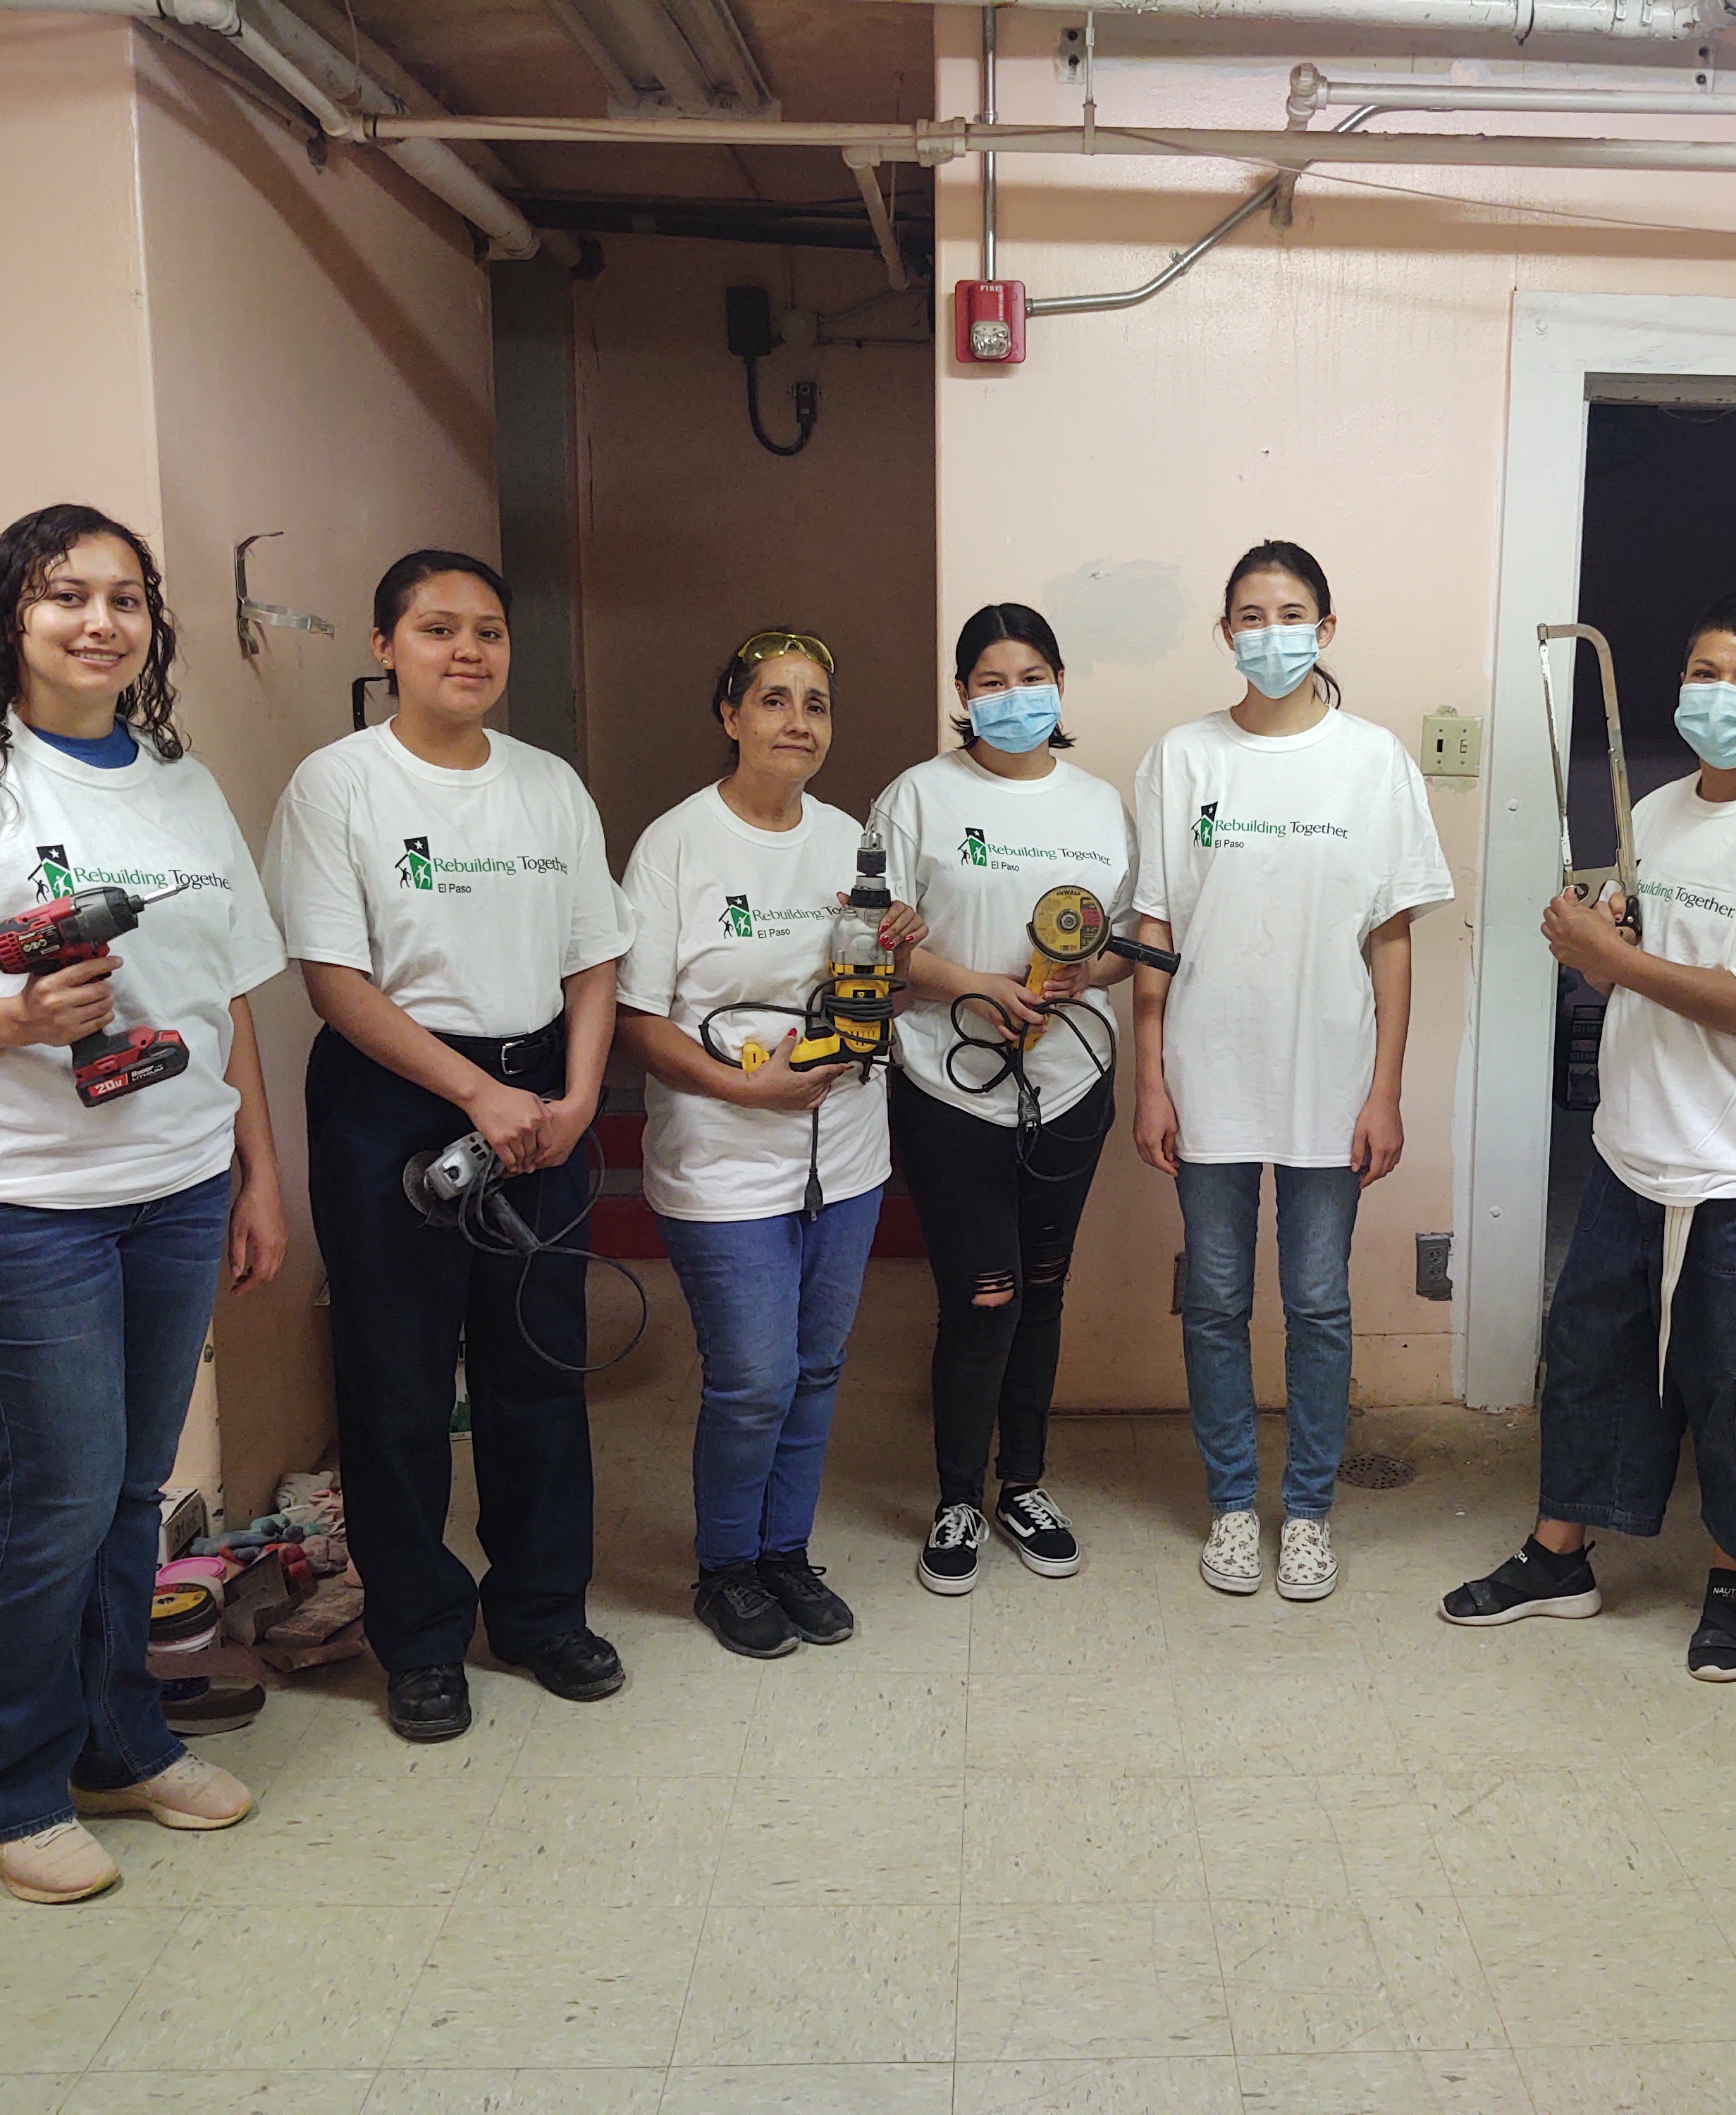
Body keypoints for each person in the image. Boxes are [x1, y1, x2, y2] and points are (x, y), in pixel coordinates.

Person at [0, 504, 287, 1903]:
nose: (98, 621)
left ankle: (114, 1745)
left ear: (152, 625)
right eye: (63, 595)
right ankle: (5, 1793)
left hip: (175, 1188)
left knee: (129, 1495)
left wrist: (257, 1168)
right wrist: (16, 1019)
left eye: (125, 598)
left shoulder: (176, 781)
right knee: (61, 1496)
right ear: (7, 618)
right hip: (11, 1205)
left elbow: (225, 998)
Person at [1441, 591, 1736, 1678]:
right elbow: (1636, 960)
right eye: (1701, 672)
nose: (1716, 696)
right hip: (1635, 1145)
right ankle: (1559, 1558)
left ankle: (1735, 1585)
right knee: (1591, 1362)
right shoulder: (1665, 810)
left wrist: (1616, 961)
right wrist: (1595, 944)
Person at [265, 551, 631, 1746]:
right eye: (437, 629)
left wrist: (577, 1095)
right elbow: (333, 978)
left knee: (537, 1368)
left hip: (542, 1098)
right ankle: (420, 1638)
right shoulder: (339, 786)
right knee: (399, 1384)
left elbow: (592, 956)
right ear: (386, 646)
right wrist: (475, 1091)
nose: (467, 651)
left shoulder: (549, 787)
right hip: (397, 1097)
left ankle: (539, 1612)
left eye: (487, 630)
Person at [1131, 541, 1453, 1602]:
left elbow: (1393, 939)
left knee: (1317, 1303)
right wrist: (1151, 1078)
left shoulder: (1374, 762)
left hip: (1331, 1074)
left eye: (1293, 612)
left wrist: (1386, 1089)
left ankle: (1306, 1511)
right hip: (1206, 1068)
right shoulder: (1183, 759)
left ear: (1325, 629)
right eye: (1251, 614)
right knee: (1217, 1300)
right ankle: (1233, 1504)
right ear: (1226, 634)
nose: (1272, 631)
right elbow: (1155, 930)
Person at [615, 630, 923, 1657]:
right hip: (722, 1154)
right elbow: (639, 1019)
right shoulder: (675, 846)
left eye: (817, 704)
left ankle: (786, 1554)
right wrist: (748, 1086)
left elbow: (880, 989)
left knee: (819, 1366)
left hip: (846, 1153)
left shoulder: (850, 840)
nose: (798, 721)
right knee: (753, 1376)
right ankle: (727, 1567)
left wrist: (898, 949)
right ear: (732, 715)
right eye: (776, 700)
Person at [873, 606, 1135, 1594]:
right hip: (950, 1086)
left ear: (1060, 686)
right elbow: (880, 946)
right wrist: (974, 985)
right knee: (981, 1298)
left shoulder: (1101, 805)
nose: (1013, 697)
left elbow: (1126, 940)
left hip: (1070, 1085)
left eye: (1032, 678)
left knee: (1043, 1292)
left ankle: (1022, 1482)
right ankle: (954, 1494)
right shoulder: (917, 800)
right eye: (990, 681)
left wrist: (1081, 978)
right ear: (962, 696)